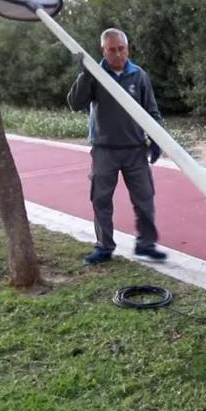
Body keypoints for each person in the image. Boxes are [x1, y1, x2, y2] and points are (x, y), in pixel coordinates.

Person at [67, 27, 166, 264]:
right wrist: (85, 75)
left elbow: (152, 111)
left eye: (121, 49)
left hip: (135, 150)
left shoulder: (139, 76)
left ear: (128, 48)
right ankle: (104, 246)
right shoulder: (95, 74)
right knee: (100, 200)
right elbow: (75, 103)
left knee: (144, 198)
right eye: (112, 50)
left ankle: (146, 244)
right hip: (104, 150)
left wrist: (157, 140)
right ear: (103, 50)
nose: (118, 54)